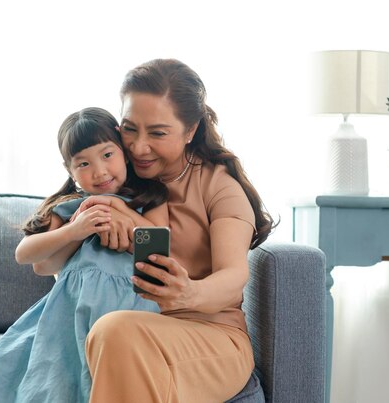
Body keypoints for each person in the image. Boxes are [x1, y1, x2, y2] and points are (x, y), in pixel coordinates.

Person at [82, 59, 275, 403]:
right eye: (129, 128)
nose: (139, 147)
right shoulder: (113, 176)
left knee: (116, 333)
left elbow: (233, 275)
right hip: (137, 327)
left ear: (190, 131)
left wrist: (189, 294)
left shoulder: (219, 186)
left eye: (157, 133)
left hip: (212, 337)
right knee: (113, 334)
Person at [0, 107, 169, 403]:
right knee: (50, 378)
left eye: (107, 155)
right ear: (70, 171)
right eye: (83, 163)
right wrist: (75, 230)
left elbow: (158, 248)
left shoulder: (149, 198)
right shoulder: (69, 207)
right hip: (71, 307)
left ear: (124, 152)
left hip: (130, 306)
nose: (100, 171)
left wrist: (121, 215)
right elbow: (25, 254)